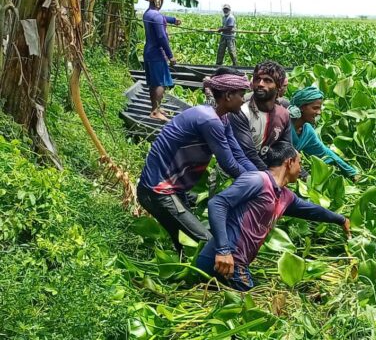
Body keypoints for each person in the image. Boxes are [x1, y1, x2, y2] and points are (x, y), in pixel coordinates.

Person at [197, 141, 351, 291]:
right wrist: (223, 251)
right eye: (300, 163)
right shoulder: (257, 180)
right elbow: (217, 203)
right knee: (267, 305)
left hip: (237, 266)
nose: (301, 169)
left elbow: (312, 210)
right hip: (224, 262)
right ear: (289, 162)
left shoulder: (285, 196)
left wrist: (341, 219)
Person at [136, 72, 256, 255]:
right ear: (228, 96)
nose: (243, 100)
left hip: (174, 189)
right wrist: (258, 186)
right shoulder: (209, 121)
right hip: (158, 191)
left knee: (187, 245)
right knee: (210, 246)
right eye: (241, 95)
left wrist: (261, 178)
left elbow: (239, 155)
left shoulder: (221, 118)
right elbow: (229, 164)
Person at [229, 60, 291, 170]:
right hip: (236, 171)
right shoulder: (240, 112)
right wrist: (271, 177)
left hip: (265, 171)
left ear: (279, 86)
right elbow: (248, 154)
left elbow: (285, 147)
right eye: (257, 79)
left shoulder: (283, 114)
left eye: (267, 80)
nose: (260, 84)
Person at [288, 86, 358, 179]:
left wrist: (352, 173)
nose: (319, 112)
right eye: (315, 108)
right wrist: (306, 177)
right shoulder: (285, 125)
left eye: (320, 108)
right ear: (302, 107)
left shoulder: (307, 130)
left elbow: (325, 153)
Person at [142, 0, 180, 120]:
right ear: (159, 0)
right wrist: (170, 55)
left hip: (148, 52)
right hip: (157, 53)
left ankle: (155, 108)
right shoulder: (156, 16)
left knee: (154, 82)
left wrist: (173, 20)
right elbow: (162, 37)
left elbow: (161, 18)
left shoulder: (148, 13)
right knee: (160, 83)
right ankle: (155, 111)